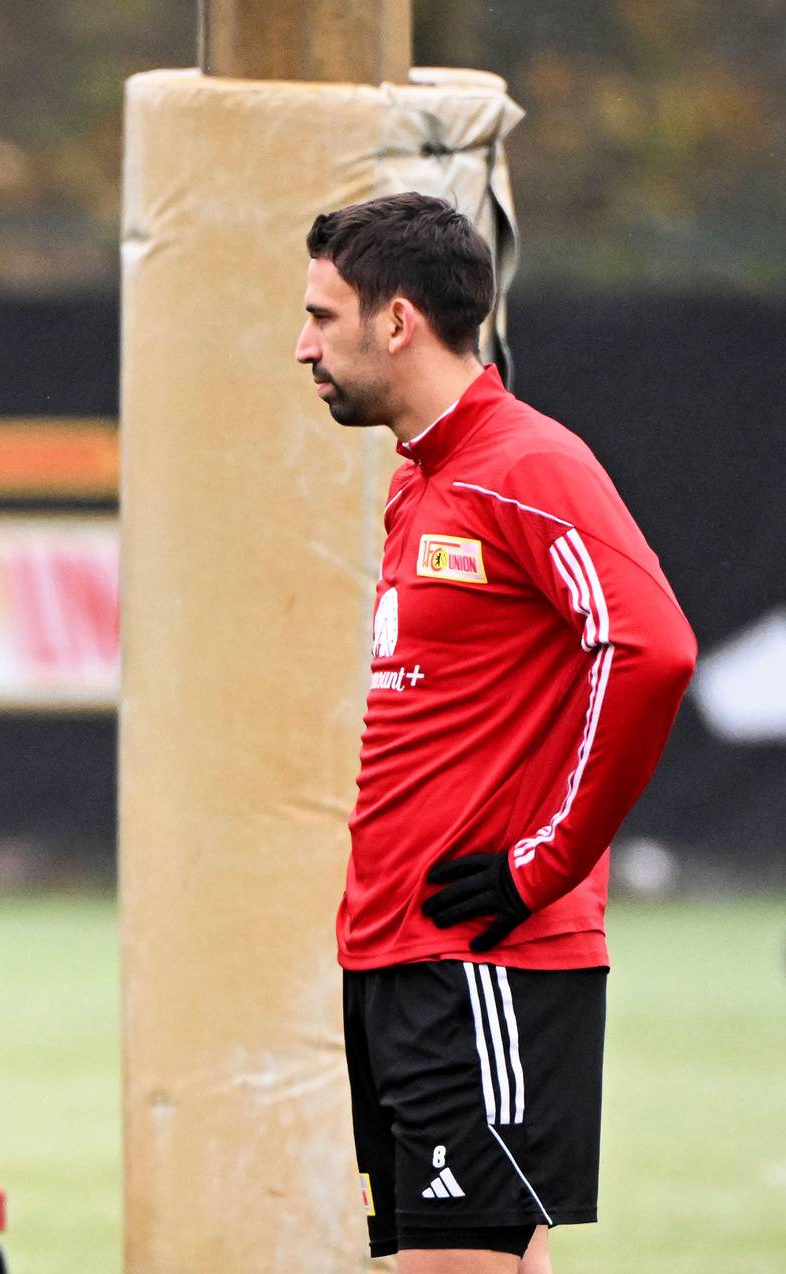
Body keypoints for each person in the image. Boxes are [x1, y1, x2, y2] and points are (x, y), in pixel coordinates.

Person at [294, 193, 697, 1273]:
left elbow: (651, 646)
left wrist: (544, 860)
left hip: (482, 963)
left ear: (397, 321)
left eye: (323, 317)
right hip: (395, 954)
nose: (304, 347)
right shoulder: (420, 480)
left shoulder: (528, 463)